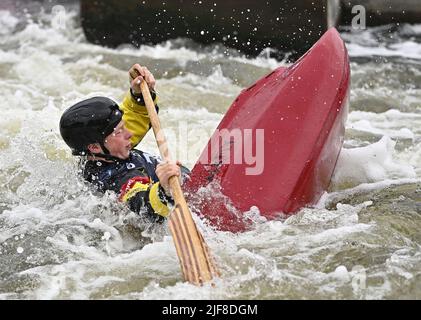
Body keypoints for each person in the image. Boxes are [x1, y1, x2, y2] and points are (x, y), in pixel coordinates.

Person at [59, 64, 184, 222]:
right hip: (183, 204)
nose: (129, 133)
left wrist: (138, 96)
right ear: (95, 147)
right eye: (120, 131)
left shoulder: (110, 148)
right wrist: (165, 191)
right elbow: (141, 203)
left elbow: (132, 119)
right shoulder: (109, 178)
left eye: (123, 126)